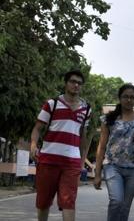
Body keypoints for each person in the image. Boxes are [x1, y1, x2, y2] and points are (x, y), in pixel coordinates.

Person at [29, 70, 92, 221]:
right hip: (48, 160)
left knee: (69, 202)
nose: (76, 85)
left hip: (72, 163)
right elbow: (37, 128)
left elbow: (82, 137)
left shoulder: (86, 109)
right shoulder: (52, 104)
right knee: (43, 202)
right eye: (72, 81)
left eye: (79, 83)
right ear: (66, 83)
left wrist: (82, 162)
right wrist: (33, 144)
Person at [93, 83, 134, 221]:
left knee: (125, 206)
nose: (129, 100)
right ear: (119, 98)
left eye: (132, 97)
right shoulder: (108, 119)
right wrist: (97, 173)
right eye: (125, 96)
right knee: (116, 201)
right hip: (112, 166)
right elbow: (101, 146)